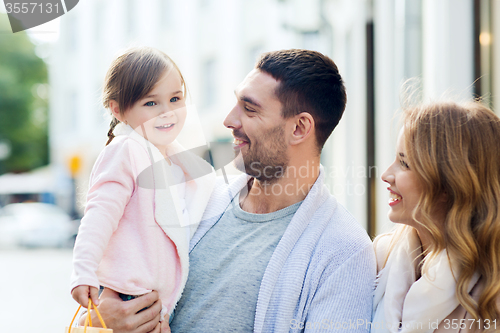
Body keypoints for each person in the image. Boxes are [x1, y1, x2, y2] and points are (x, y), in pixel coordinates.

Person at [89, 49, 376, 333]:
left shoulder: (344, 252)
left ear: (299, 128)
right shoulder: (197, 198)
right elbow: (117, 283)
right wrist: (97, 323)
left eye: (249, 109)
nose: (229, 120)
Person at [70, 47, 215, 328]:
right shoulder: (125, 150)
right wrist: (83, 271)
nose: (167, 112)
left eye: (175, 99)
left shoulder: (171, 159)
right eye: (151, 103)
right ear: (118, 109)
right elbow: (99, 213)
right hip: (126, 294)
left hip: (155, 301)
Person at [373, 101, 500, 332]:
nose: (386, 175)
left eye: (404, 163)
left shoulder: (492, 291)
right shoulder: (378, 258)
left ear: (448, 184)